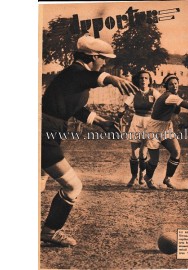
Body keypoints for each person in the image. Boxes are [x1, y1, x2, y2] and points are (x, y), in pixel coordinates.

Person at [41, 34, 139, 247]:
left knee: (39, 183)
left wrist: (101, 121)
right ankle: (49, 232)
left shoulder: (72, 76)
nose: (105, 63)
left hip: (46, 131)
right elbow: (89, 79)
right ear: (93, 57)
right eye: (104, 59)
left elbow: (75, 108)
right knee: (72, 186)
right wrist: (111, 79)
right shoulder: (76, 73)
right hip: (45, 133)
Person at [143, 74, 188, 189]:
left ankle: (167, 178)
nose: (174, 86)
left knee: (176, 152)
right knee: (154, 160)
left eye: (176, 83)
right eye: (171, 84)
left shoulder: (173, 97)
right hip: (154, 128)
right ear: (167, 86)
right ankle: (147, 177)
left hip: (166, 127)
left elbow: (175, 112)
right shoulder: (170, 96)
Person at [117, 71, 161, 187]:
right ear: (138, 80)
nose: (143, 80)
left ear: (150, 80)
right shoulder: (134, 92)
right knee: (134, 153)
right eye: (141, 78)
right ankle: (133, 177)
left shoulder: (154, 92)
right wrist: (120, 112)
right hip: (136, 121)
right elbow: (125, 105)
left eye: (146, 78)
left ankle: (142, 174)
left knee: (143, 153)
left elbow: (162, 103)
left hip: (149, 122)